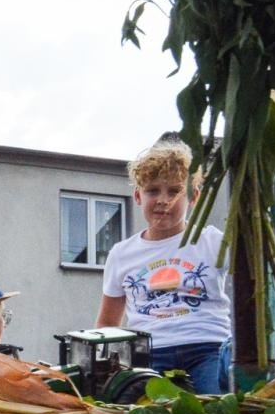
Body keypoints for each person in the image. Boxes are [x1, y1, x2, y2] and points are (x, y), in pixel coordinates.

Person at [95, 135, 231, 394]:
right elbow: (107, 322)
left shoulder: (212, 241)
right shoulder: (122, 254)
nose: (162, 200)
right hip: (149, 353)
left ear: (193, 196)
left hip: (207, 345)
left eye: (174, 191)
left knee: (216, 406)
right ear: (137, 196)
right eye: (152, 190)